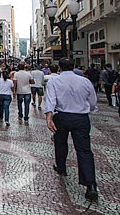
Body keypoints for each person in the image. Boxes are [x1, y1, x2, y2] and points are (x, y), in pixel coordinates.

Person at [44, 58, 99, 202]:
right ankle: (91, 185)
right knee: (84, 150)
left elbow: (50, 100)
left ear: (60, 67)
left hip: (62, 116)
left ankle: (61, 167)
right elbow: (92, 102)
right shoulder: (85, 81)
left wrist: (49, 118)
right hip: (81, 118)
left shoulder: (54, 81)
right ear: (74, 66)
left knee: (61, 142)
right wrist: (89, 109)